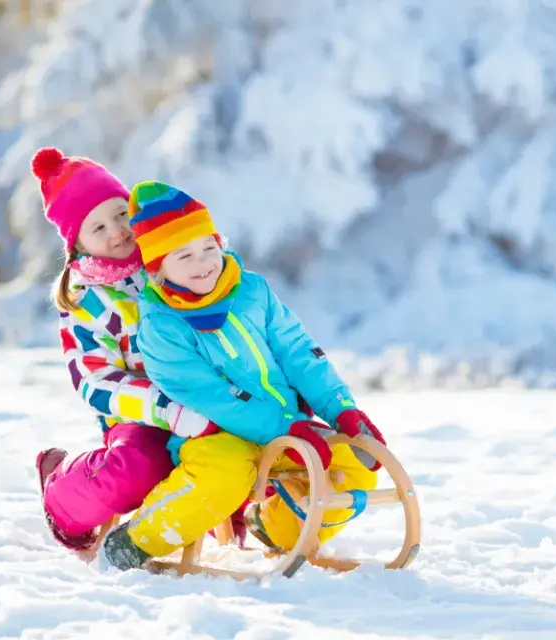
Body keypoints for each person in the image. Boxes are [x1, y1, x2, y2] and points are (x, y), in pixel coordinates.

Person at [98, 180, 386, 571]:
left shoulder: (252, 291)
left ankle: (277, 528)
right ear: (158, 268)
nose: (203, 264)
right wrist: (283, 428)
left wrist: (342, 410)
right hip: (219, 434)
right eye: (184, 256)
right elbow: (211, 396)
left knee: (356, 461)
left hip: (287, 427)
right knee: (224, 477)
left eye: (209, 248)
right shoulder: (161, 326)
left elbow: (300, 353)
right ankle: (136, 541)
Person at [28, 149, 244, 554]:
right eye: (98, 227)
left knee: (250, 435)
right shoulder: (87, 300)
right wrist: (165, 409)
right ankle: (62, 496)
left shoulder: (166, 259)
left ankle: (251, 514)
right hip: (140, 415)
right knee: (137, 470)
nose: (117, 231)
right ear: (78, 244)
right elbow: (95, 379)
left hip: (203, 394)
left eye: (120, 214)